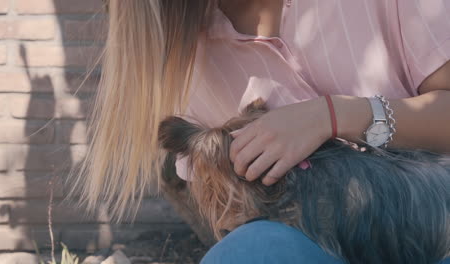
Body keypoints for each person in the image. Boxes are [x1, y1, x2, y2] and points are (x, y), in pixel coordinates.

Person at [68, 0, 450, 263]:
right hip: (318, 243)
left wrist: (334, 116)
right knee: (247, 253)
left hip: (437, 227)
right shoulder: (187, 62)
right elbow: (232, 220)